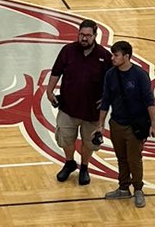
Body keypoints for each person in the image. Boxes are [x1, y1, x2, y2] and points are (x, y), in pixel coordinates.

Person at [48, 19, 111, 187]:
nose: (84, 38)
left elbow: (112, 82)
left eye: (88, 35)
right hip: (68, 108)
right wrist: (49, 91)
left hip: (92, 112)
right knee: (65, 139)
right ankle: (69, 162)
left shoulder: (104, 57)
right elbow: (56, 72)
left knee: (88, 143)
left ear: (95, 36)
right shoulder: (67, 51)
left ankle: (84, 167)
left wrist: (106, 99)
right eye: (81, 34)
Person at [99, 41, 155, 207]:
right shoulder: (110, 75)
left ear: (126, 56)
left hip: (134, 126)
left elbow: (149, 101)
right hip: (116, 123)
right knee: (121, 158)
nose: (112, 58)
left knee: (134, 159)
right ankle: (123, 188)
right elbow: (105, 101)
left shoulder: (139, 75)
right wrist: (101, 124)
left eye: (116, 55)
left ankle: (138, 189)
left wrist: (153, 124)